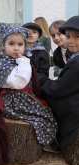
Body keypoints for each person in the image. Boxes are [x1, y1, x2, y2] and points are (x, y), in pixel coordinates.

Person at [0, 22, 58, 165]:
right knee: (42, 115)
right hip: (12, 102)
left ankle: (47, 138)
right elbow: (19, 82)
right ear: (3, 45)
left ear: (25, 46)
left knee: (46, 110)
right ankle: (45, 140)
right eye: (11, 44)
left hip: (21, 97)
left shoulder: (15, 60)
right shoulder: (5, 63)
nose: (16, 48)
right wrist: (23, 63)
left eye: (20, 44)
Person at [41, 15, 79, 149]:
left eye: (77, 37)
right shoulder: (72, 55)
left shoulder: (77, 62)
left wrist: (41, 81)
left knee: (45, 100)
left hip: (74, 106)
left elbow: (59, 88)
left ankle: (53, 137)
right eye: (68, 36)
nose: (71, 41)